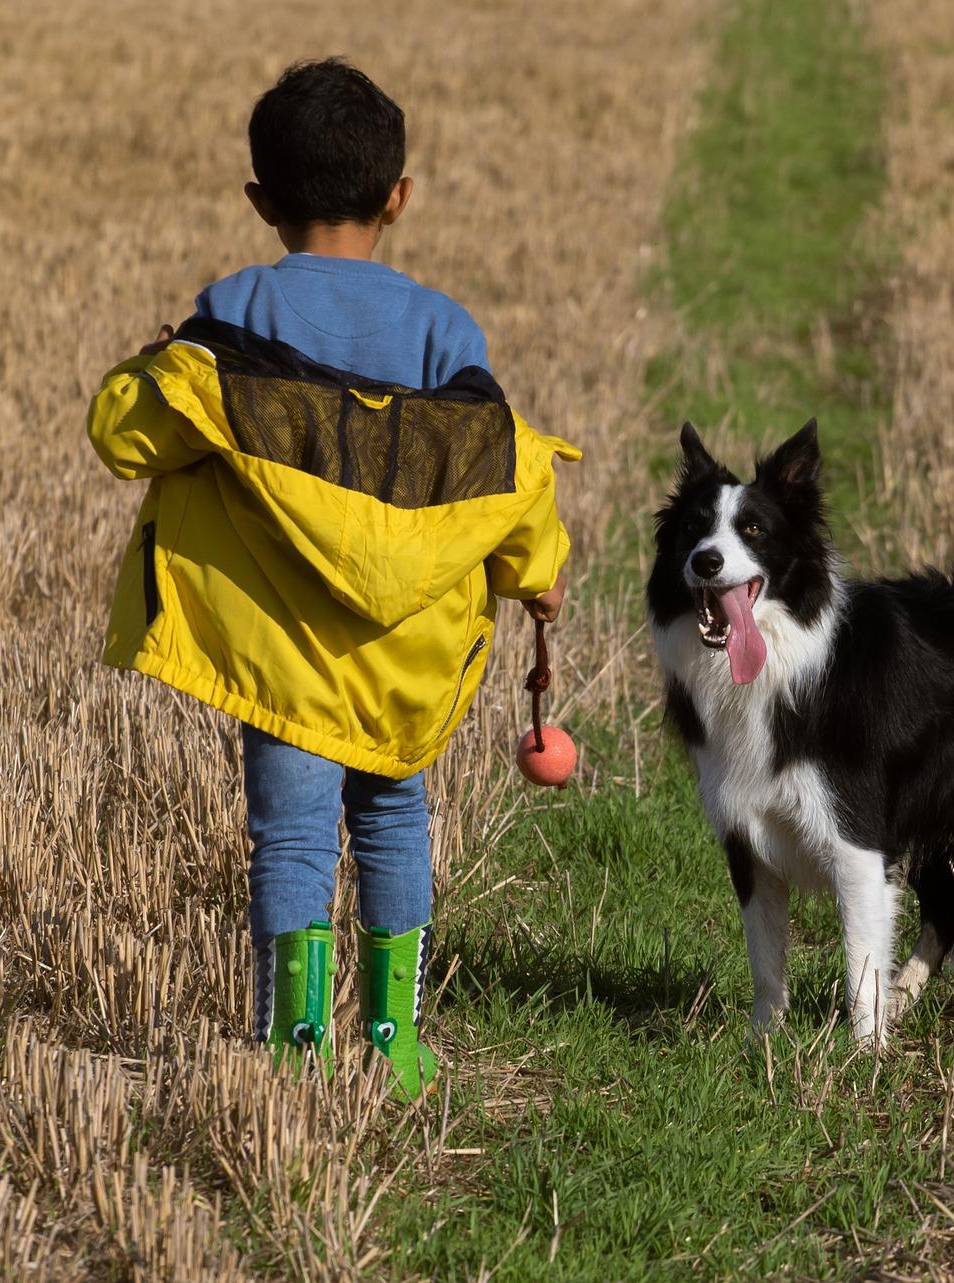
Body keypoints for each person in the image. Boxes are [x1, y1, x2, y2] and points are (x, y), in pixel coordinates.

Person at [84, 58, 576, 1100]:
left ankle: (294, 1046)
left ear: (261, 202)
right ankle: (393, 1037)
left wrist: (149, 365)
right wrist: (538, 574)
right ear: (397, 198)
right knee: (396, 818)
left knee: (293, 834)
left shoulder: (234, 312)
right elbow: (498, 466)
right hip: (404, 660)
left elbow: (130, 438)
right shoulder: (447, 332)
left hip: (281, 654)